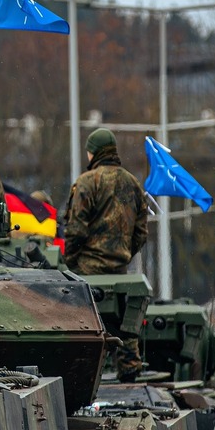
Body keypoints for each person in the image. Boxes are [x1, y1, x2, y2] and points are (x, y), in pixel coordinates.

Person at [62, 127, 149, 382]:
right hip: (120, 269)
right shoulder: (133, 183)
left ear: (93, 153)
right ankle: (130, 367)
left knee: (84, 323)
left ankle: (83, 374)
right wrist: (123, 253)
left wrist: (70, 262)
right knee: (124, 321)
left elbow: (76, 229)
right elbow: (141, 231)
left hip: (87, 268)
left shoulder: (87, 182)